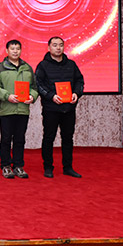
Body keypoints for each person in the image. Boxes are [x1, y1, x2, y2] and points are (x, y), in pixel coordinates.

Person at [35, 36, 85, 178]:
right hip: (51, 108)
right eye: (55, 45)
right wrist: (51, 96)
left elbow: (79, 81)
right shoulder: (43, 65)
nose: (58, 48)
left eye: (61, 45)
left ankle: (68, 167)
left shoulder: (71, 64)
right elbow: (38, 84)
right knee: (49, 138)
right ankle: (48, 167)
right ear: (49, 48)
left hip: (69, 108)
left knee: (68, 138)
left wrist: (76, 93)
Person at [0, 39, 38, 179]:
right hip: (6, 109)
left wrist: (32, 96)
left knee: (20, 139)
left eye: (18, 49)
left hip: (23, 109)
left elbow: (34, 87)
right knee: (6, 139)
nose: (15, 51)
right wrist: (7, 96)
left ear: (21, 50)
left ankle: (18, 166)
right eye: (12, 49)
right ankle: (5, 166)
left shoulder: (27, 68)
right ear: (7, 51)